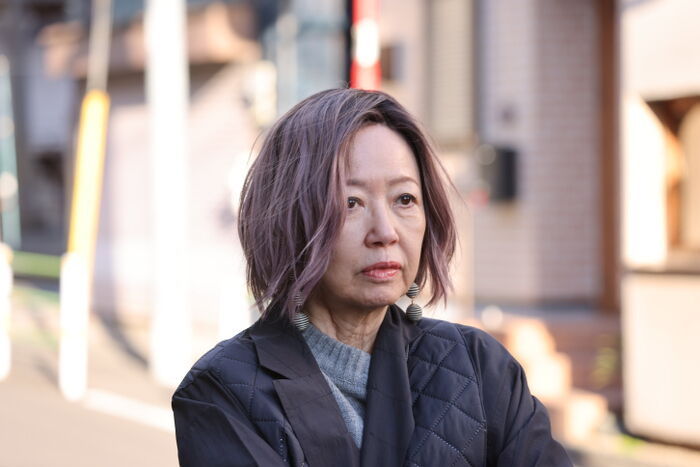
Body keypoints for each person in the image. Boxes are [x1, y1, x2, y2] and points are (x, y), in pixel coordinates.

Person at [172, 89, 572, 466]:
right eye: (351, 202)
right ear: (290, 218)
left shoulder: (482, 367)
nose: (385, 231)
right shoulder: (224, 391)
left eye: (404, 199)